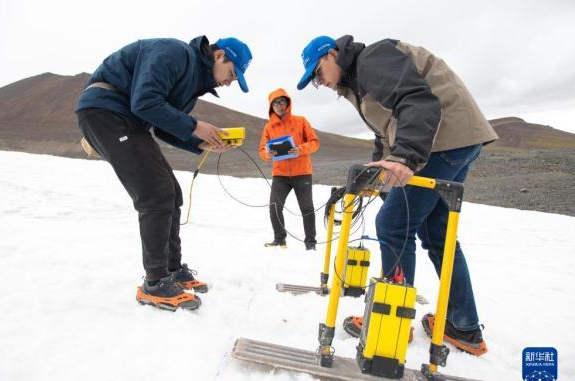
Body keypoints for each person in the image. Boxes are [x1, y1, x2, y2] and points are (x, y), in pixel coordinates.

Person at [296, 35, 497, 355]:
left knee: (393, 225)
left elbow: (418, 102)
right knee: (438, 235)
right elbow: (386, 131)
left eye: (318, 73)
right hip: (457, 140)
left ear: (332, 54)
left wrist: (405, 159)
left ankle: (393, 323)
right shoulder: (359, 80)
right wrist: (379, 177)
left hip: (442, 140)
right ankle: (464, 326)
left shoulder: (373, 59)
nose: (320, 82)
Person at [75, 36, 252, 311]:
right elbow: (144, 102)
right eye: (232, 74)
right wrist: (195, 126)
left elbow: (164, 127)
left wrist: (202, 142)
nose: (230, 82)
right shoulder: (174, 53)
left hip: (128, 118)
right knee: (156, 193)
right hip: (104, 111)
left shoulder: (192, 86)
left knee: (172, 193)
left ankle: (171, 269)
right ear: (219, 56)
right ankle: (155, 283)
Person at [258, 88, 320, 250]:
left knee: (306, 208)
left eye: (282, 101)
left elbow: (315, 142)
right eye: (276, 102)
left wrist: (300, 149)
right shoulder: (268, 128)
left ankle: (310, 243)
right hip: (280, 175)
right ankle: (279, 239)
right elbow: (262, 149)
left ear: (288, 103)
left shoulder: (301, 121)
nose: (279, 105)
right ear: (271, 106)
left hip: (302, 173)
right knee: (274, 206)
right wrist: (267, 154)